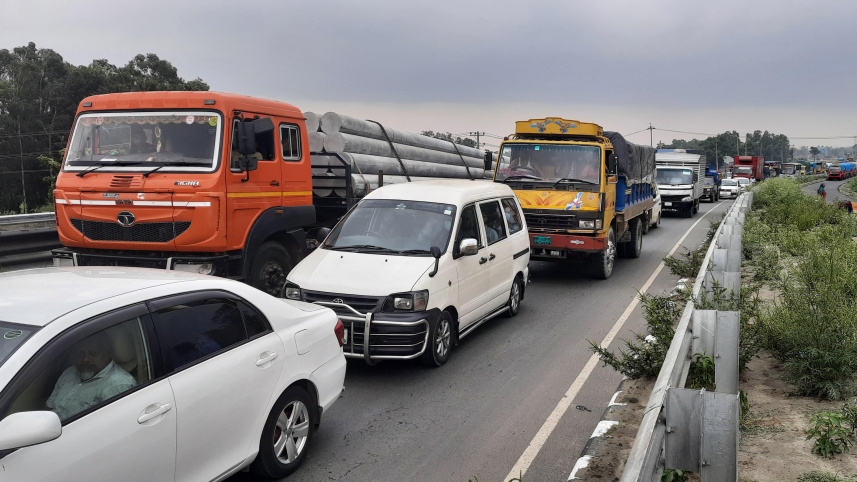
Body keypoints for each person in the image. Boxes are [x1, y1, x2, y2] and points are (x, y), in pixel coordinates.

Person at [47, 332, 136, 421]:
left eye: (93, 353)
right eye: (80, 354)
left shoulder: (118, 384)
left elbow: (112, 425)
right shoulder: (70, 371)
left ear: (109, 353)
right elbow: (49, 407)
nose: (85, 359)